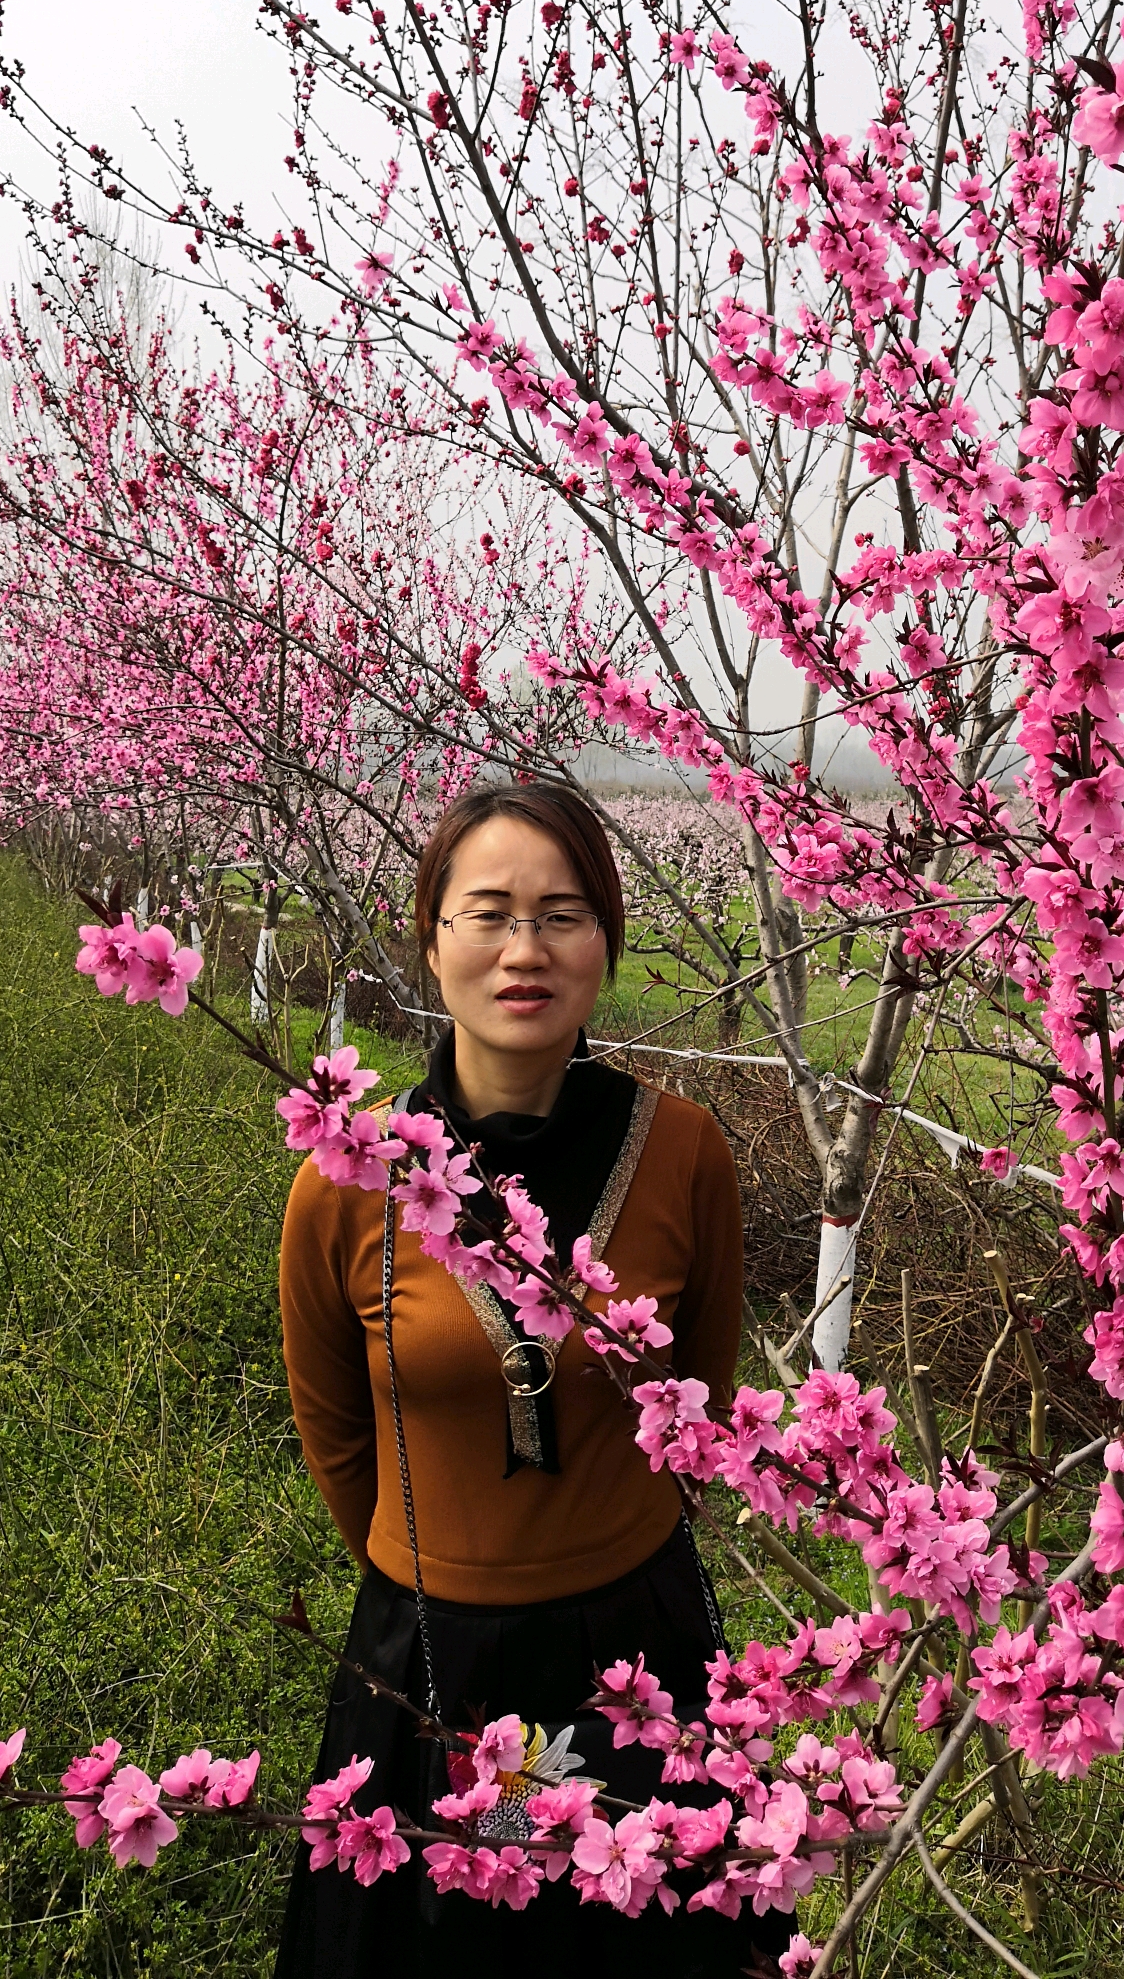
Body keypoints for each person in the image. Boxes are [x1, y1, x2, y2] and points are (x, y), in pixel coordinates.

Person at [275, 783, 791, 1976]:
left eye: (562, 914)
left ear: (605, 939)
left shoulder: (681, 1150)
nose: (525, 949)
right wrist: (453, 1569)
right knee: (480, 1927)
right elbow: (338, 1434)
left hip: (634, 1651)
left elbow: (696, 1394)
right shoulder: (344, 1178)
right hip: (449, 1657)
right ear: (430, 936)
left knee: (644, 1934)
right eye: (489, 912)